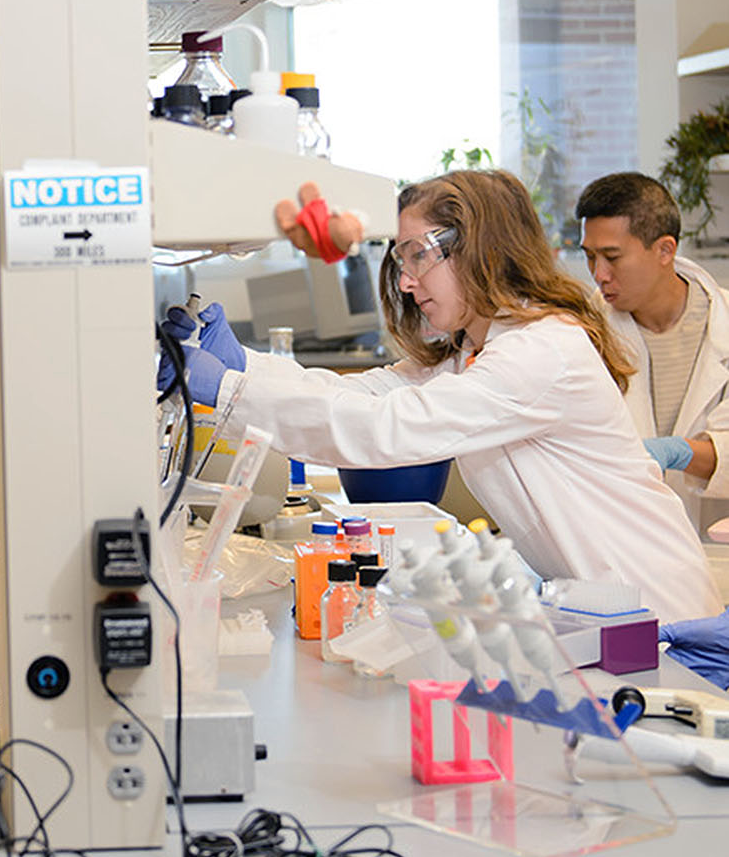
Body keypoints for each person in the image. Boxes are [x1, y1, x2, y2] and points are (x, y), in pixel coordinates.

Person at [161, 169, 720, 623]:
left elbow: (389, 429)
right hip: (606, 605)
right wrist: (244, 367)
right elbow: (369, 393)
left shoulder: (540, 354)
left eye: (416, 255)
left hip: (656, 608)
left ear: (475, 249)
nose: (406, 281)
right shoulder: (478, 351)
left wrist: (227, 391)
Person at [577, 172, 729, 536]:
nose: (599, 274)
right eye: (590, 257)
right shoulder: (581, 334)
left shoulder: (723, 324)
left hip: (717, 547)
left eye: (612, 257)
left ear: (665, 250)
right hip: (621, 540)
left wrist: (683, 452)